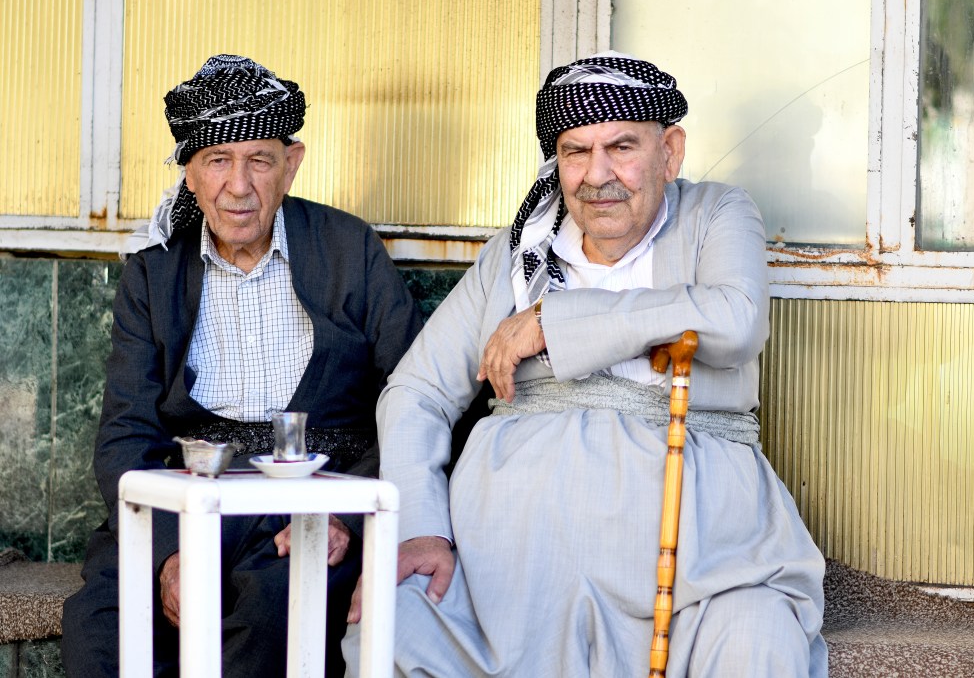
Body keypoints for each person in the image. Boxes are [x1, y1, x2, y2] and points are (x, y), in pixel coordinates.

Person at [343, 52, 828, 676]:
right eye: (576, 152)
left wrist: (554, 322)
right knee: (393, 628)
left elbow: (733, 321)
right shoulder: (519, 252)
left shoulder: (715, 214)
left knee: (757, 640)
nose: (598, 175)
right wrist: (421, 527)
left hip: (699, 568)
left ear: (670, 152)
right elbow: (415, 392)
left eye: (622, 147)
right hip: (508, 584)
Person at [61, 54, 422, 678]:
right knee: (104, 629)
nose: (239, 185)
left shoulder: (348, 249)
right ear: (190, 174)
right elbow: (125, 434)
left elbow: (413, 399)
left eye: (259, 159)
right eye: (217, 161)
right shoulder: (154, 273)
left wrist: (348, 521)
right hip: (188, 495)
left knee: (276, 614)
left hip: (310, 503)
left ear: (292, 163)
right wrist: (168, 554)